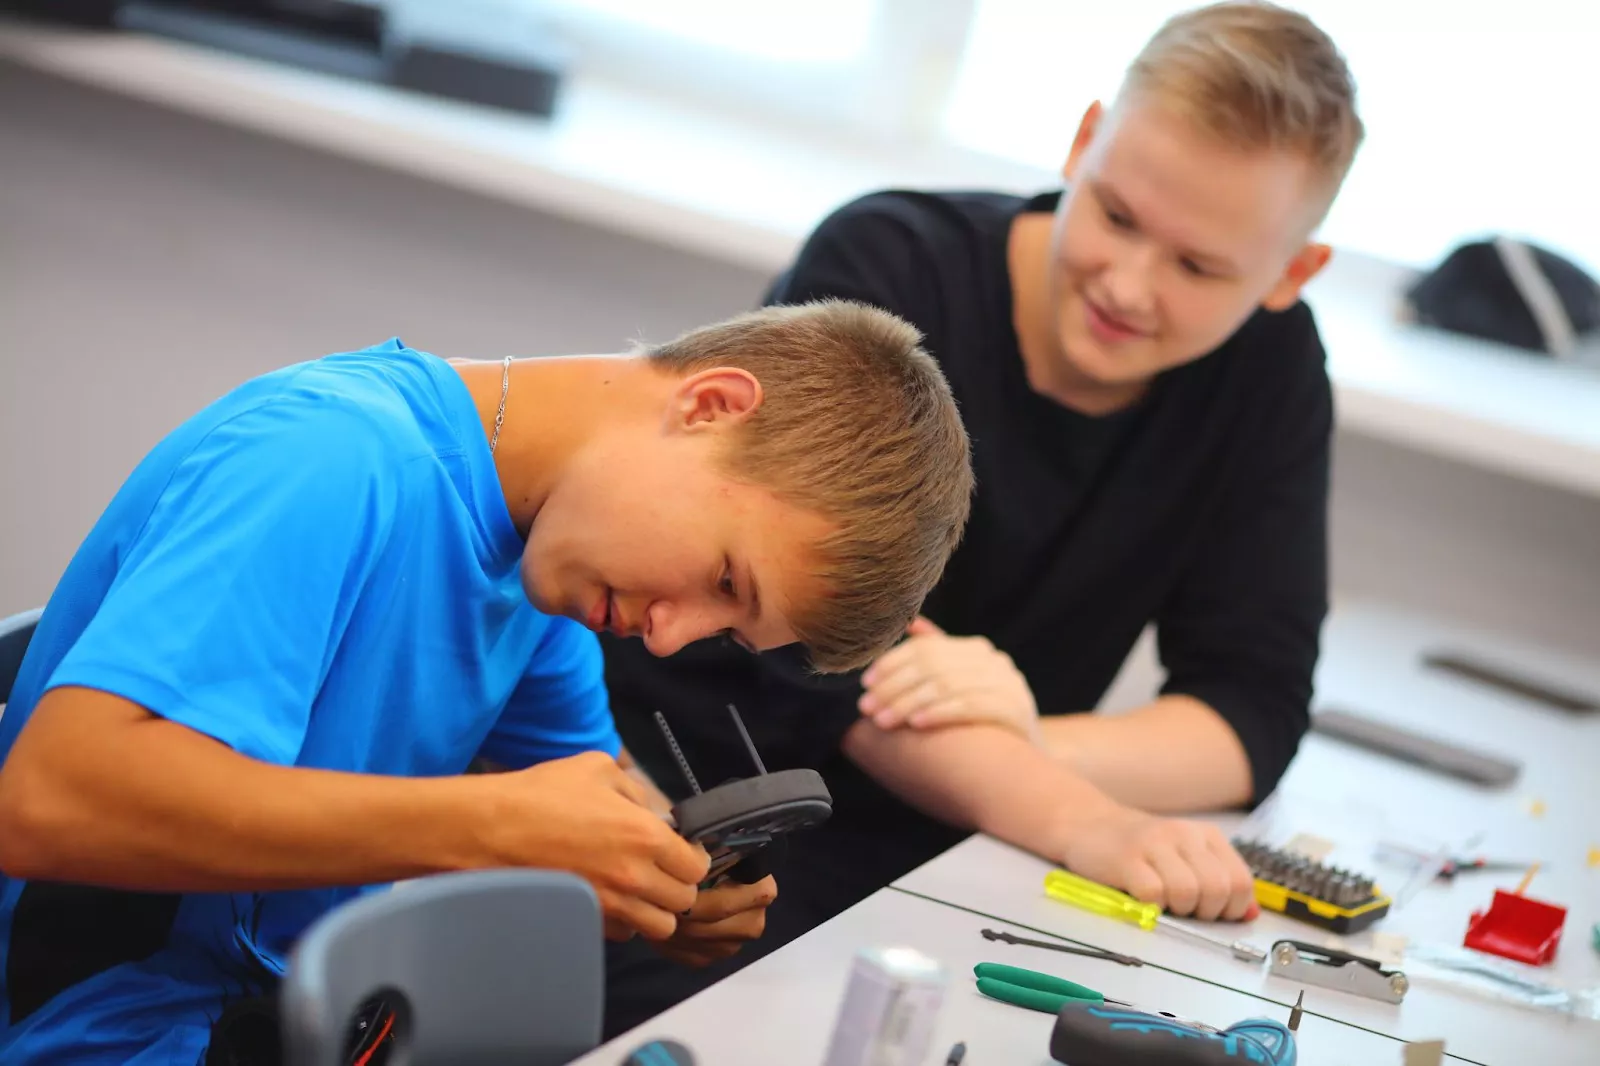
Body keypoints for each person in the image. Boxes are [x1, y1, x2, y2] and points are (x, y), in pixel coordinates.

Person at [600, 0, 1364, 1037]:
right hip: (699, 819)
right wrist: (1078, 816)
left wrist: (1022, 736)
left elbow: (1248, 715)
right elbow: (816, 664)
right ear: (1084, 140)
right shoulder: (885, 268)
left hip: (970, 842)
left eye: (1197, 268)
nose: (1128, 285)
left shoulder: (1269, 372)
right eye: (1117, 216)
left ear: (1291, 273)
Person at [0, 301, 973, 1064]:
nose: (674, 639)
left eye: (727, 627)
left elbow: (599, 807)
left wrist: (662, 885)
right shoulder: (327, 461)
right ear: (709, 406)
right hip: (98, 1032)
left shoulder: (536, 571)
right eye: (724, 580)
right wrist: (492, 827)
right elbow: (48, 802)